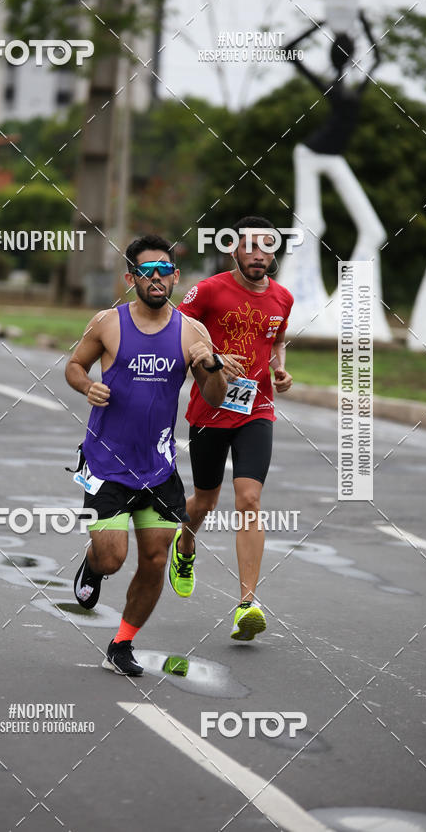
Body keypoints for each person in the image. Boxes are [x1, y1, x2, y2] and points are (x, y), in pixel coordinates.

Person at [65, 234, 227, 676]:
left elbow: (214, 398)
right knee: (113, 558)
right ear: (131, 277)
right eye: (145, 271)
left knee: (155, 559)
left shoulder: (193, 332)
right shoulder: (108, 323)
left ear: (175, 276)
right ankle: (93, 566)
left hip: (157, 469)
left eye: (163, 271)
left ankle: (122, 643)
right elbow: (74, 366)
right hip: (105, 465)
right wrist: (87, 385)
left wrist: (209, 365)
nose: (155, 279)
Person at [169, 217, 294, 642]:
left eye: (267, 247)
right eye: (250, 246)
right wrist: (214, 357)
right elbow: (176, 330)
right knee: (205, 499)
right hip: (210, 408)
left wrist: (280, 368)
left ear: (274, 254)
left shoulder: (283, 297)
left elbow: (276, 338)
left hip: (257, 410)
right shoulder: (208, 291)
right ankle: (185, 546)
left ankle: (247, 605)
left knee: (250, 498)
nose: (258, 253)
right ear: (234, 251)